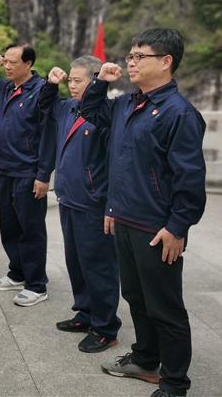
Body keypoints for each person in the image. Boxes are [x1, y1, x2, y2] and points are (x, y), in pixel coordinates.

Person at [78, 28, 206, 397]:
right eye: (130, 56)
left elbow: (190, 178)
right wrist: (100, 82)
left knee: (165, 307)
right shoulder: (126, 105)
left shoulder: (179, 113)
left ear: (166, 62)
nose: (131, 62)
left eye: (140, 56)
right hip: (125, 218)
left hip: (157, 228)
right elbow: (90, 111)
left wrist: (177, 227)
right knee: (135, 296)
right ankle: (146, 359)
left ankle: (175, 384)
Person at [40, 56, 121, 353]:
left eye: (78, 81)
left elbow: (114, 162)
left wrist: (110, 204)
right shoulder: (67, 108)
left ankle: (105, 328)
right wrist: (51, 84)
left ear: (95, 80)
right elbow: (44, 107)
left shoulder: (106, 114)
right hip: (69, 198)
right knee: (76, 262)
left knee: (98, 266)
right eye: (70, 80)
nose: (72, 86)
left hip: (93, 202)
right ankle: (85, 313)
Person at [0, 43, 54, 307]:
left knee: (31, 230)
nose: (7, 66)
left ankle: (37, 284)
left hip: (28, 172)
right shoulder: (6, 88)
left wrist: (43, 175)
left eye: (12, 62)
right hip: (5, 169)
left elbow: (49, 136)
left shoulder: (41, 91)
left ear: (28, 64)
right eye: (5, 61)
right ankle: (17, 273)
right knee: (9, 227)